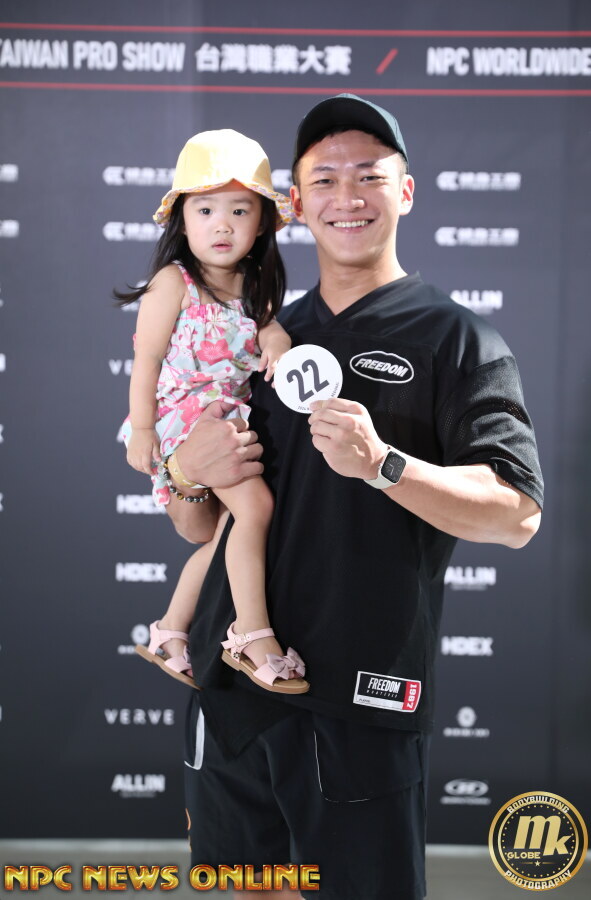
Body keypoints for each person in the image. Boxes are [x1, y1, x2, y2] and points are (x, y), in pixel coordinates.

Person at [164, 95, 544, 900]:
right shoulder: (253, 334)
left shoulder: (456, 339)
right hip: (233, 689)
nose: (348, 197)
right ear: (295, 205)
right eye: (325, 180)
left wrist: (383, 465)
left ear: (406, 191)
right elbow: (198, 525)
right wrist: (188, 470)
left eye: (369, 176)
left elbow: (516, 513)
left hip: (361, 699)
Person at [116, 129, 308, 695]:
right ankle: (250, 634)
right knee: (256, 508)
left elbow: (266, 329)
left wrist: (277, 338)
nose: (222, 225)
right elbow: (147, 360)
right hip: (184, 422)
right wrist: (143, 430)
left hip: (229, 423)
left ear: (262, 224)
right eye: (205, 210)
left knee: (226, 534)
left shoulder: (254, 285)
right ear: (181, 220)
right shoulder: (172, 283)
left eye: (239, 211)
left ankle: (171, 632)